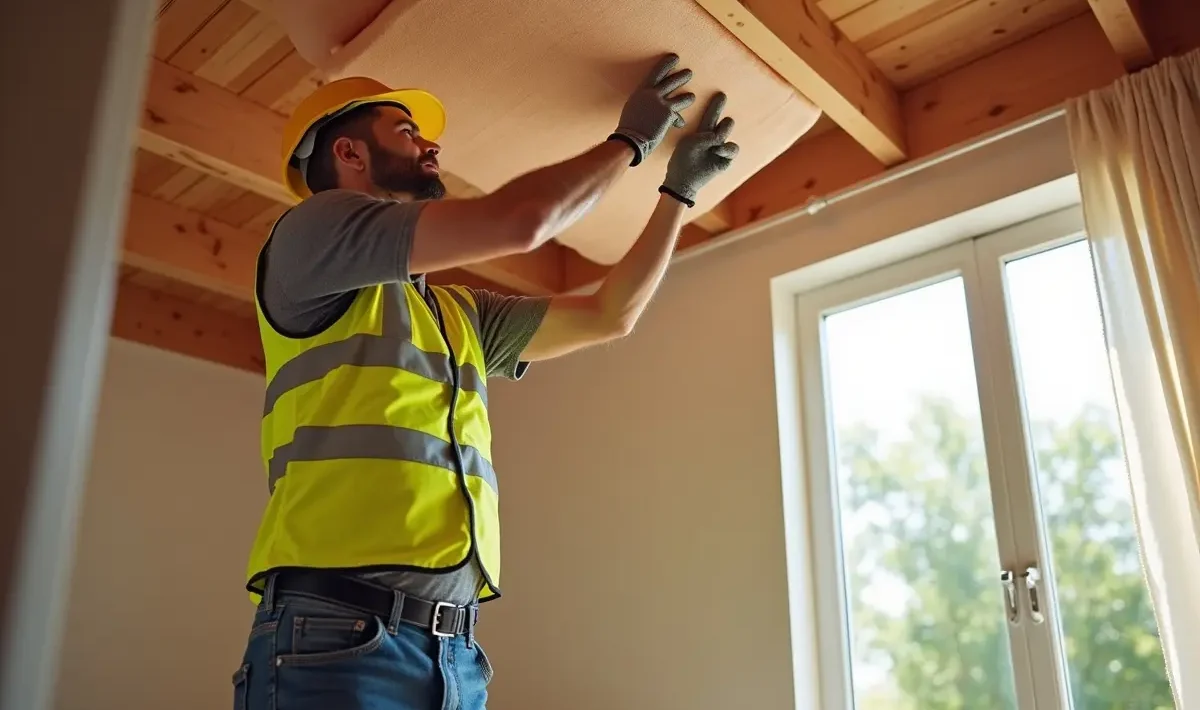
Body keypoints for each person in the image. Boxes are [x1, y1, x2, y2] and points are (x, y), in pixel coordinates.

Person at [233, 53, 738, 710]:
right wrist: (630, 144)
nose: (431, 142)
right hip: (335, 632)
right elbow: (520, 223)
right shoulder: (310, 235)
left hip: (454, 651)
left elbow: (612, 315)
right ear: (349, 151)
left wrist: (679, 194)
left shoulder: (455, 314)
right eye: (406, 129)